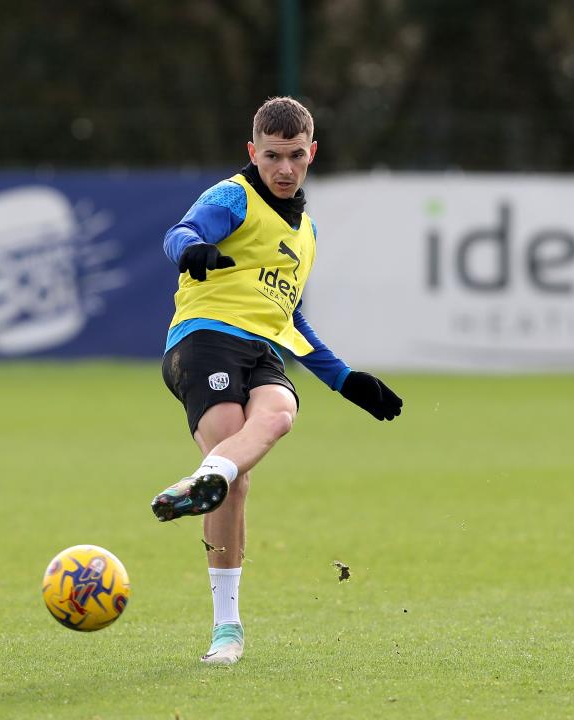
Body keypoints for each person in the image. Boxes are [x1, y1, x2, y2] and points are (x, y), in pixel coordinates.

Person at [152, 97, 402, 665]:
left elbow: (290, 317)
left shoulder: (306, 231)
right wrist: (193, 250)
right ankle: (227, 628)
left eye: (295, 157)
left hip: (262, 349)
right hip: (204, 338)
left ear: (312, 153)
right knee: (235, 472)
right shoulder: (233, 197)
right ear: (253, 152)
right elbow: (179, 232)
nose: (284, 169)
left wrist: (346, 380)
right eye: (272, 156)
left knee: (279, 417)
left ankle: (206, 478)